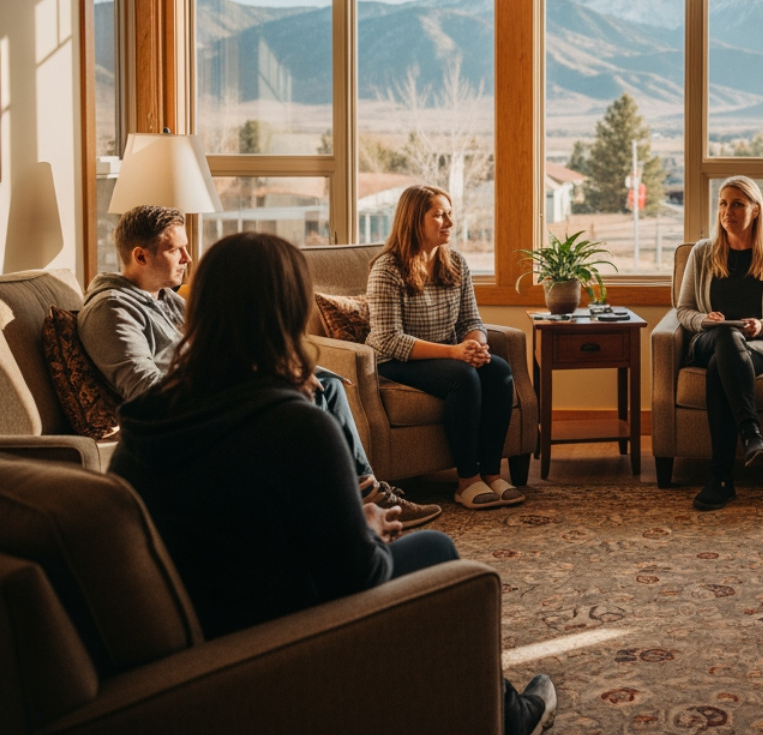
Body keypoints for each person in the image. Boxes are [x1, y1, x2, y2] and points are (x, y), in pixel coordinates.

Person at [109, 232, 556, 734]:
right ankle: (509, 718)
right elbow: (358, 579)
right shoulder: (297, 426)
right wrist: (366, 527)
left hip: (198, 641)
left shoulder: (141, 430)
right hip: (277, 639)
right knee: (437, 550)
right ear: (290, 311)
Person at [78, 204, 439, 527]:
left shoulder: (167, 299)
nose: (188, 257)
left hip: (209, 395)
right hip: (194, 413)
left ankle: (361, 494)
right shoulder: (112, 310)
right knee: (311, 397)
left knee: (324, 382)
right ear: (140, 256)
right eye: (176, 249)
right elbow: (146, 387)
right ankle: (346, 504)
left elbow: (217, 351)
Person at [367, 184, 520, 511]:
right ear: (413, 221)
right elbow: (387, 338)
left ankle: (492, 473)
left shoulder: (456, 263)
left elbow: (472, 320)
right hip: (394, 361)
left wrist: (476, 344)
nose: (448, 221)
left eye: (449, 214)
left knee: (500, 371)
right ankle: (466, 480)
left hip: (448, 355)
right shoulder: (387, 268)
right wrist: (454, 352)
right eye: (438, 215)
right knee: (463, 377)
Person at [674, 176, 763, 511]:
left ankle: (721, 479)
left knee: (723, 362)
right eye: (722, 203)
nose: (727, 211)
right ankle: (751, 435)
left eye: (737, 204)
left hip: (761, 346)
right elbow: (683, 310)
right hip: (708, 338)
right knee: (724, 335)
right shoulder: (702, 253)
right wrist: (705, 320)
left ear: (756, 210)